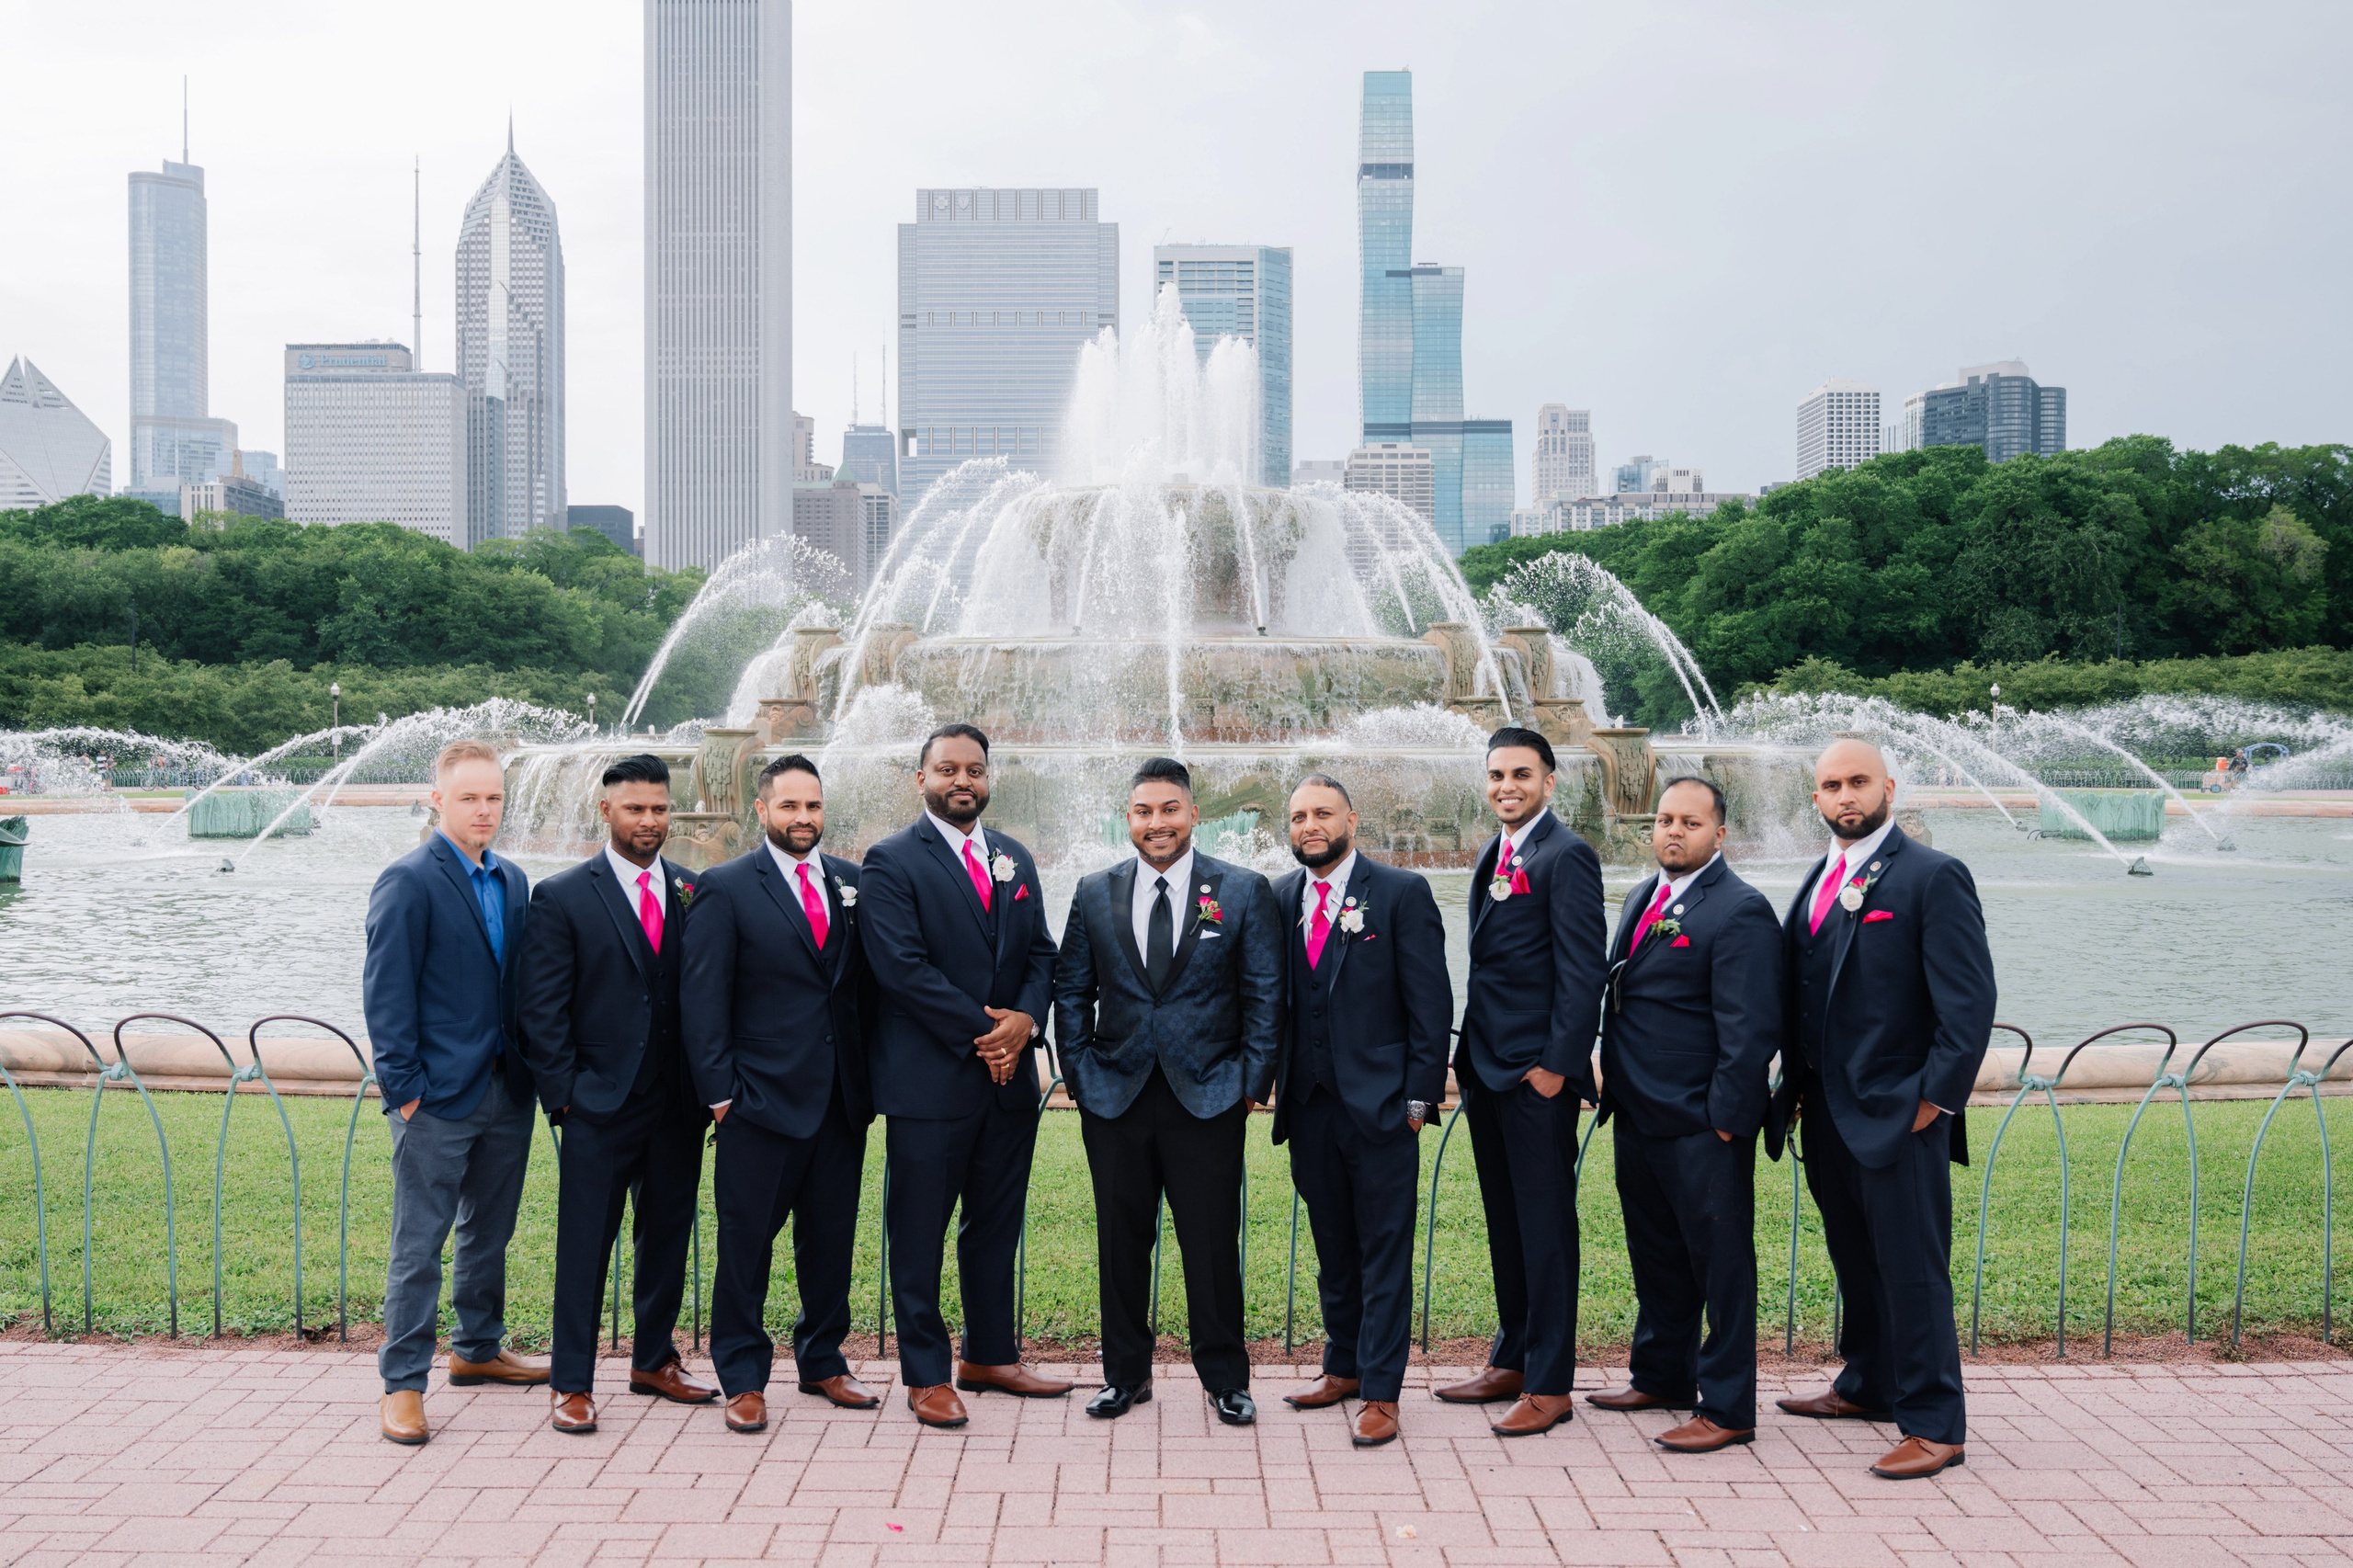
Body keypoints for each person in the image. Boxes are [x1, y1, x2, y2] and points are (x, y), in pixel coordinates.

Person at [1766, 739, 1995, 1481]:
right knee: (1855, 1259)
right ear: (1816, 799)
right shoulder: (1818, 881)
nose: (1846, 796)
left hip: (1901, 1113)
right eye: (1831, 785)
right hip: (1827, 1113)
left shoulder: (1934, 877)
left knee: (1914, 1270)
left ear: (1889, 787)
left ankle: (1935, 1423)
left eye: (1858, 782)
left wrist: (1933, 1101)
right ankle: (1867, 1383)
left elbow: (1969, 1007)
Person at [1052, 757, 1283, 1427]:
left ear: (1193, 814)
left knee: (1210, 1245)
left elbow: (1264, 994)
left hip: (1209, 1097)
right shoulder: (1095, 891)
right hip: (1116, 1096)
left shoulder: (1240, 891)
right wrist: (1080, 1074)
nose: (1158, 823)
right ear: (1128, 819)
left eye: (1170, 810)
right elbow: (1072, 990)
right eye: (1144, 812)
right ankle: (1124, 1377)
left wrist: (1251, 1080)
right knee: (1120, 1243)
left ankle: (1225, 1379)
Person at [858, 723, 1070, 1428]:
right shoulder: (890, 862)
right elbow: (901, 970)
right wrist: (991, 1031)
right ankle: (924, 1373)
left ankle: (990, 1354)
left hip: (1009, 1084)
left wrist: (1026, 1021)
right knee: (917, 1230)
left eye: (974, 770)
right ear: (919, 779)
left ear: (988, 778)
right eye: (946, 769)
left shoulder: (1014, 857)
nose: (962, 782)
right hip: (931, 1083)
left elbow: (1043, 952)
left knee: (994, 1225)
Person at [517, 754, 716, 1435]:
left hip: (678, 1104)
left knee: (666, 1237)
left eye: (660, 809)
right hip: (598, 1106)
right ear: (607, 811)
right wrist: (566, 1097)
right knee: (585, 1248)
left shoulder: (694, 890)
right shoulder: (565, 895)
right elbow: (540, 1011)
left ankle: (653, 1361)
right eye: (635, 809)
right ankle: (570, 1383)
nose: (650, 821)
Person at [682, 755, 880, 1433]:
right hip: (758, 1104)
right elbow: (702, 999)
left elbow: (867, 993)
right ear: (762, 811)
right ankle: (741, 1375)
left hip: (840, 1104)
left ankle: (823, 1359)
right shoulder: (727, 887)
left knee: (830, 1241)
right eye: (790, 807)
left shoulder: (854, 884)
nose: (804, 818)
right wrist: (721, 1097)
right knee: (746, 1246)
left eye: (814, 806)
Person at [1586, 777, 1782, 1452]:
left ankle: (1727, 1408)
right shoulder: (1645, 895)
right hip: (1638, 1113)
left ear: (1719, 834)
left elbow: (1750, 1030)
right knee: (1658, 1257)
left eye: (1690, 823)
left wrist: (1725, 1121)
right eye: (1665, 820)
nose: (1673, 832)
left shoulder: (1740, 909)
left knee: (1721, 1267)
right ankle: (1662, 1375)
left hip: (1702, 1122)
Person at [364, 739, 547, 1446]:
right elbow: (386, 995)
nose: (483, 810)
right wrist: (405, 1091)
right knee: (420, 1244)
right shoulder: (408, 880)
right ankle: (403, 1385)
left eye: (494, 797)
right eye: (469, 797)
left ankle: (476, 1349)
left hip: (506, 1090)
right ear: (437, 800)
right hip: (435, 1098)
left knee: (488, 1231)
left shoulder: (513, 880)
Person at [1267, 774, 1451, 1447]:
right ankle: (1341, 1366)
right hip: (1310, 1108)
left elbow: (1431, 1005)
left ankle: (1381, 1391)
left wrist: (1419, 1099)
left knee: (1383, 1254)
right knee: (1334, 1249)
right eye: (1297, 817)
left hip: (1381, 1109)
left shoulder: (1400, 893)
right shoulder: (1279, 897)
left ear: (1352, 819)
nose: (1308, 825)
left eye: (1321, 813)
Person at [1434, 726, 1607, 1437]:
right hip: (1486, 1070)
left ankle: (1550, 1382)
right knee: (1505, 1224)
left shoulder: (1567, 856)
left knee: (1544, 1228)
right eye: (1498, 774)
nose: (1508, 786)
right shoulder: (1495, 851)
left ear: (1549, 781)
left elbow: (1582, 970)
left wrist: (1555, 1068)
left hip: (1535, 1077)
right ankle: (1511, 1354)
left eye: (1522, 775)